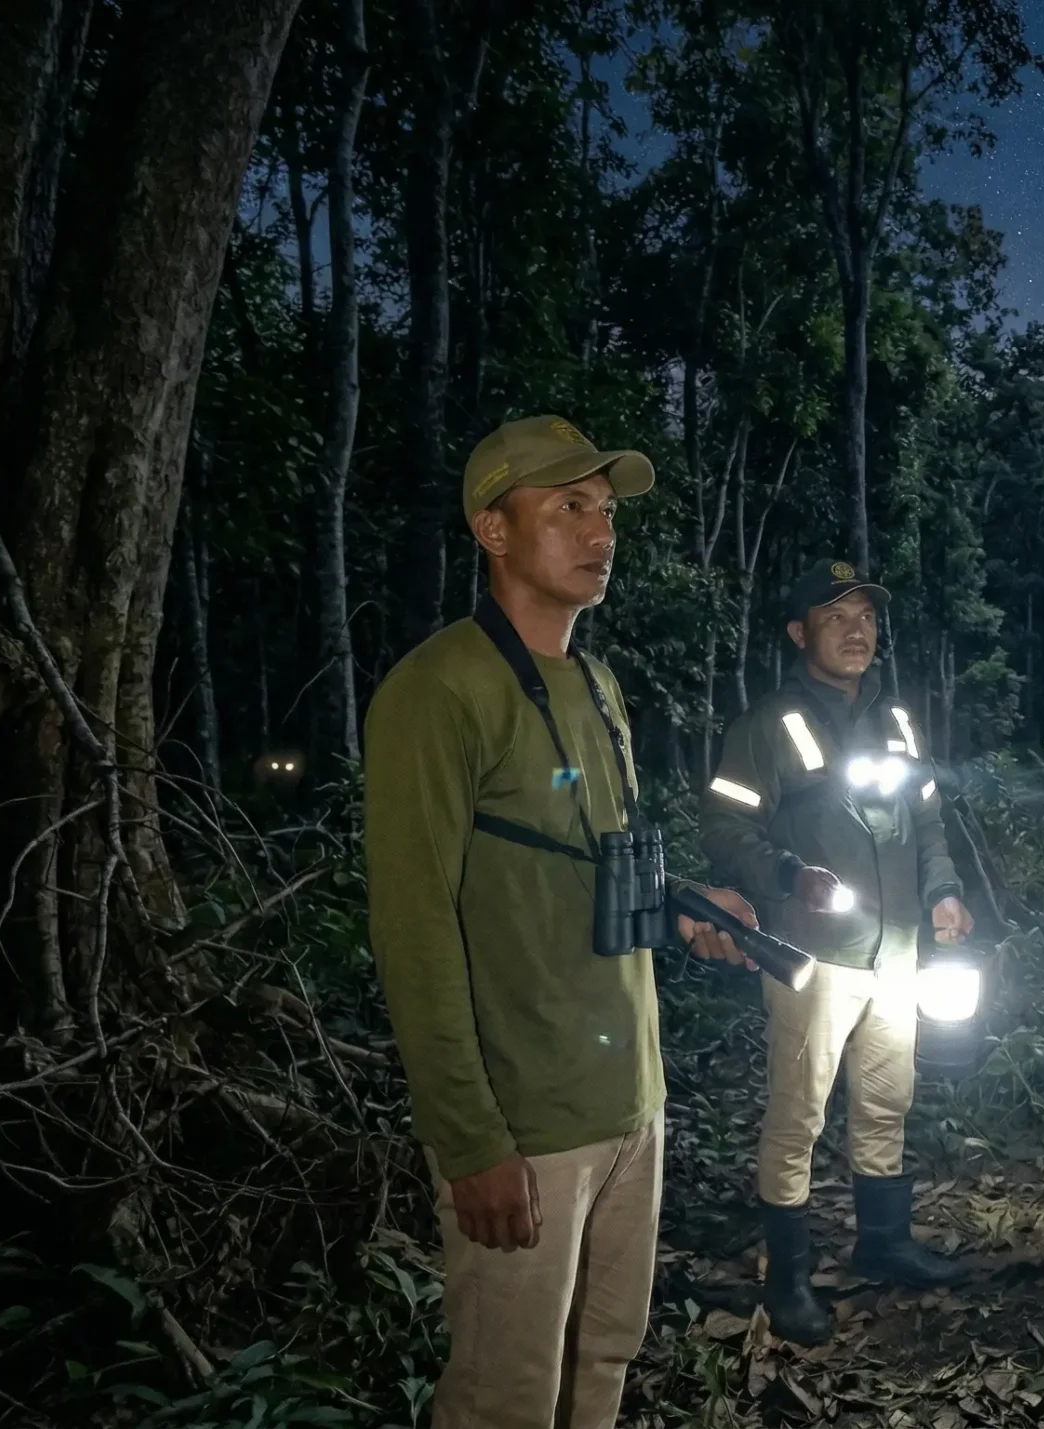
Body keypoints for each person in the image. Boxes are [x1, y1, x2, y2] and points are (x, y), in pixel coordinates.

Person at [365, 414, 758, 1428]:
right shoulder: (437, 689)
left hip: (632, 1103)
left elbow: (586, 858)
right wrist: (469, 1140)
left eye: (607, 509)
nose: (601, 530)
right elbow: (413, 933)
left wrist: (684, 907)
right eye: (569, 506)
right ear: (493, 530)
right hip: (525, 1125)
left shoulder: (598, 682)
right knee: (507, 1397)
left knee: (602, 1364)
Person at [701, 562, 975, 1346]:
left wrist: (944, 892)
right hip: (812, 954)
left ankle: (883, 1241)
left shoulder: (895, 719)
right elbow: (723, 826)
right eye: (835, 617)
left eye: (866, 617)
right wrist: (786, 874)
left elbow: (927, 819)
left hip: (897, 951)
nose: (857, 630)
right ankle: (787, 1279)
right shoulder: (770, 725)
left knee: (888, 1097)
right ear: (799, 632)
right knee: (798, 1114)